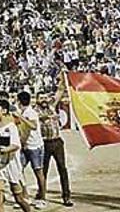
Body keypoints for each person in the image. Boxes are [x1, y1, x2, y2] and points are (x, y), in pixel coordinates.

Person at [0, 99, 31, 212]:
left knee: (19, 198)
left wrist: (0, 151)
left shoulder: (11, 127)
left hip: (12, 166)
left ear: (4, 111)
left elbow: (15, 145)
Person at [38, 75, 72, 207]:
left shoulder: (51, 105)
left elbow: (60, 91)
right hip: (44, 143)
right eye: (41, 98)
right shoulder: (35, 111)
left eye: (45, 97)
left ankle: (66, 196)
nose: (44, 99)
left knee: (62, 169)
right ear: (37, 100)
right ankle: (41, 195)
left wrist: (63, 78)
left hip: (57, 142)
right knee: (43, 171)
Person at [14, 91, 46, 209]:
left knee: (38, 172)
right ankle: (25, 196)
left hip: (35, 146)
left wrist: (21, 117)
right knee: (19, 170)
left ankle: (42, 198)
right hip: (26, 146)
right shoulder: (22, 112)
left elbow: (33, 126)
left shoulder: (30, 112)